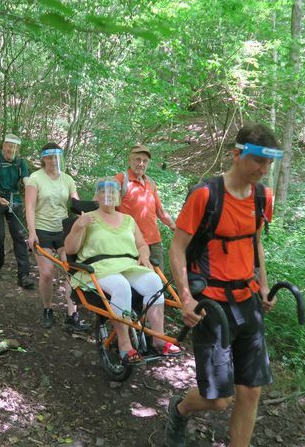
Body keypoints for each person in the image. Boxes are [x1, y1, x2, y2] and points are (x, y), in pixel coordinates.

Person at [163, 123, 283, 447]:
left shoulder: (263, 197)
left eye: (269, 163)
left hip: (247, 300)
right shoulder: (205, 195)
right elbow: (177, 248)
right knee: (218, 399)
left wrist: (263, 286)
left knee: (250, 391)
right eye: (258, 160)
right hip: (212, 305)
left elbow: (255, 242)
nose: (264, 169)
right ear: (237, 155)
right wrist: (186, 299)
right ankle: (179, 409)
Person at [65, 178, 181, 362]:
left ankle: (159, 339)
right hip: (98, 268)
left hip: (128, 265)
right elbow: (70, 249)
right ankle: (124, 344)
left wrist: (144, 255)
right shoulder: (88, 218)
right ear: (97, 196)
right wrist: (78, 226)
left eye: (113, 192)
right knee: (121, 286)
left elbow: (142, 245)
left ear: (119, 197)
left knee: (154, 282)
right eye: (104, 191)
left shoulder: (128, 219)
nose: (109, 195)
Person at [25, 143, 87, 331]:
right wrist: (32, 232)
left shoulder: (67, 179)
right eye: (49, 157)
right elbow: (29, 206)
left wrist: (86, 214)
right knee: (46, 273)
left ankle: (71, 314)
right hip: (42, 229)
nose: (53, 161)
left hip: (63, 230)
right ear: (43, 159)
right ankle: (47, 309)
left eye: (56, 157)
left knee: (71, 269)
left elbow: (76, 203)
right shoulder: (35, 179)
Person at [0, 133, 34, 289]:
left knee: (19, 236)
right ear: (3, 146)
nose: (10, 149)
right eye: (8, 146)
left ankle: (24, 275)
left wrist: (31, 195)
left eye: (13, 147)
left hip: (15, 200)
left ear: (17, 148)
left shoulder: (21, 163)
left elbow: (27, 182)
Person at [115, 144, 176, 271]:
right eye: (138, 159)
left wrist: (174, 226)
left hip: (154, 242)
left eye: (145, 161)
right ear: (129, 160)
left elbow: (160, 211)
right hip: (131, 242)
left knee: (160, 282)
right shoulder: (121, 180)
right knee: (138, 281)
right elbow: (105, 205)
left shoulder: (151, 182)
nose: (141, 163)